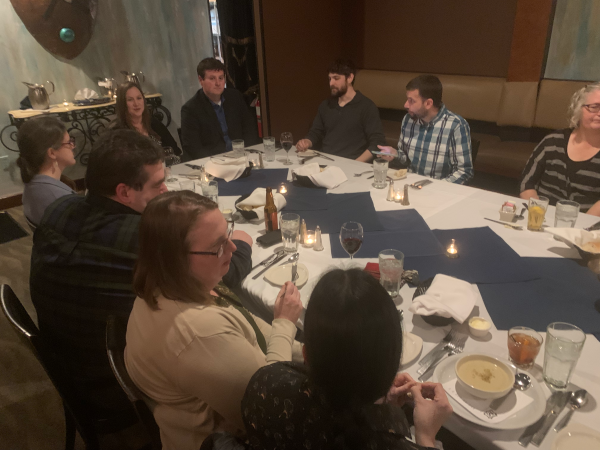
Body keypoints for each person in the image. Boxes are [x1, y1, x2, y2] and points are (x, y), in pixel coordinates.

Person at [30, 129, 253, 419]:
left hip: (63, 368)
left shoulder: (58, 209)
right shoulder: (144, 238)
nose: (166, 191)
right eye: (158, 185)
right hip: (120, 383)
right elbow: (220, 274)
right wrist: (244, 246)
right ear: (124, 192)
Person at [125, 191, 303, 450]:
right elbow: (272, 413)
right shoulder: (197, 331)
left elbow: (250, 327)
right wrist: (285, 323)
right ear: (175, 259)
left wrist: (305, 351)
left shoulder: (166, 284)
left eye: (228, 235)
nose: (232, 248)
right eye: (217, 246)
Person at [242, 268, 453, 450]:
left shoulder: (264, 386)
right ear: (392, 365)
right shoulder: (392, 438)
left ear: (306, 355)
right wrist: (426, 436)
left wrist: (380, 401)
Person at [520, 82, 600, 216]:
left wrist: (581, 227)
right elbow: (526, 183)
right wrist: (538, 214)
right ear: (578, 109)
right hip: (541, 217)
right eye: (594, 107)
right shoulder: (553, 141)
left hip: (586, 228)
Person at [378, 75, 473, 184]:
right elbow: (405, 159)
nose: (405, 105)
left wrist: (436, 188)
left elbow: (464, 171)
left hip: (439, 191)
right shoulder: (408, 120)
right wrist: (394, 154)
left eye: (411, 101)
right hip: (409, 185)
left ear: (428, 103)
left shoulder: (456, 125)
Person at [296, 59, 386, 162]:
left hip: (352, 163)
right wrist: (306, 142)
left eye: (336, 78)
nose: (331, 83)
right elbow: (315, 133)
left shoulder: (366, 106)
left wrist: (355, 163)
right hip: (325, 160)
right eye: (330, 79)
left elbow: (377, 143)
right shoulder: (326, 105)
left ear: (350, 78)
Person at [180, 57, 260, 161]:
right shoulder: (191, 109)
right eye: (212, 78)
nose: (218, 83)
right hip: (213, 162)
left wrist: (248, 154)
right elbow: (194, 148)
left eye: (221, 78)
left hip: (242, 157)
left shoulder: (235, 97)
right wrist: (219, 162)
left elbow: (250, 129)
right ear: (201, 80)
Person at [16, 116, 76, 225]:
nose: (73, 146)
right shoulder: (60, 200)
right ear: (52, 153)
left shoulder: (32, 184)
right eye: (68, 142)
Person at [111, 81, 181, 156]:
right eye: (130, 100)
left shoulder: (154, 123)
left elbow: (175, 150)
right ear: (122, 103)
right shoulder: (117, 132)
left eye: (139, 98)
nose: (136, 103)